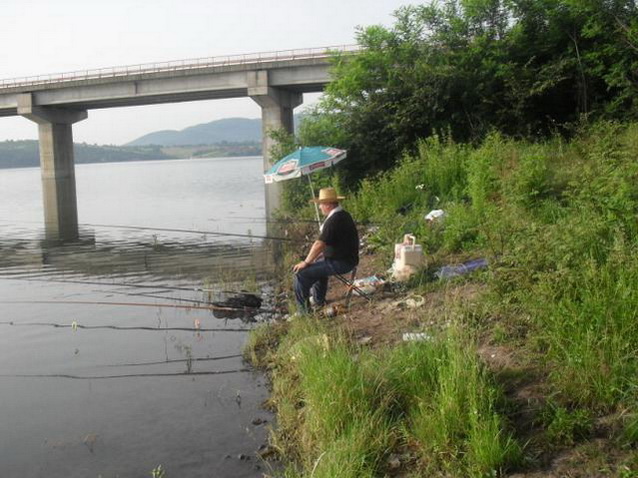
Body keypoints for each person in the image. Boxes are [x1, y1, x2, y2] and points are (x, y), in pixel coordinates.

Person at [292, 187, 359, 313]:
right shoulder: (343, 214)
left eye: (321, 204)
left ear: (328, 204)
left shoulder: (333, 221)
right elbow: (330, 243)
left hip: (342, 262)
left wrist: (306, 262)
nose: (319, 207)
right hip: (346, 258)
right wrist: (314, 259)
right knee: (316, 264)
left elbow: (319, 244)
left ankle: (303, 312)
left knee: (300, 274)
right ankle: (319, 301)